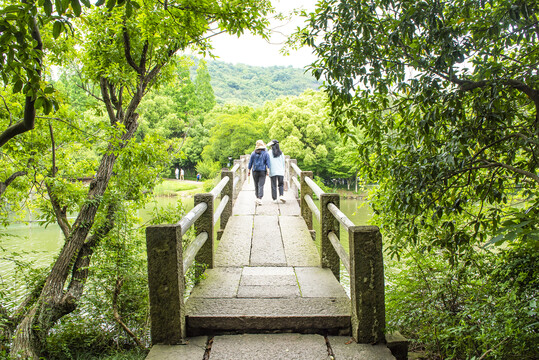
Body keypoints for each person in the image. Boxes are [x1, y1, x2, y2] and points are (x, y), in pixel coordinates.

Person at [248, 140, 270, 205]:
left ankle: (257, 197)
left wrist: (249, 171)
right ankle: (260, 198)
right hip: (262, 171)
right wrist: (268, 171)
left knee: (256, 184)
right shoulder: (266, 153)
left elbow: (250, 163)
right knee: (261, 184)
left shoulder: (253, 153)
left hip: (255, 171)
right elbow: (268, 163)